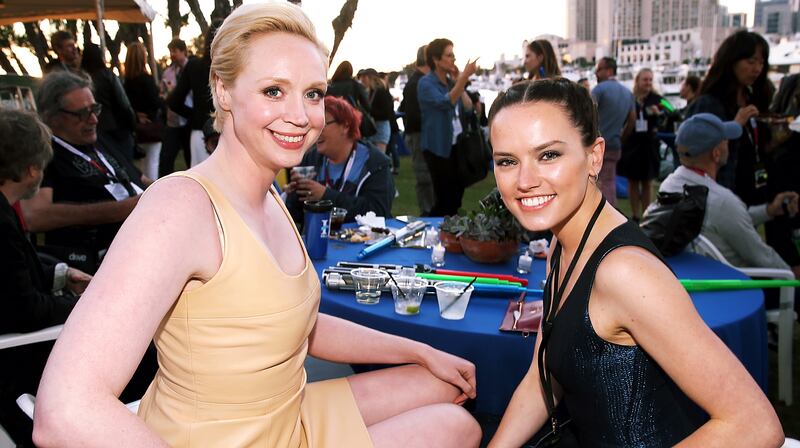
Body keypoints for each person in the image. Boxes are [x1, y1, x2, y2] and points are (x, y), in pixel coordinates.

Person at [32, 4, 481, 447]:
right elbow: (64, 409)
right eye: (273, 91)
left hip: (287, 413)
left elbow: (294, 325)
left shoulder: (269, 193)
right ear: (223, 91)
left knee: (443, 383)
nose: (301, 115)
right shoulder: (179, 207)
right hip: (220, 437)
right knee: (458, 428)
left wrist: (420, 350)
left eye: (312, 93)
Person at [486, 79, 783, 447]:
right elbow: (544, 375)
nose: (525, 180)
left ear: (595, 156)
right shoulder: (562, 247)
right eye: (507, 161)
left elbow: (755, 425)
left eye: (548, 155)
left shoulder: (625, 273)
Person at [0, 109, 85, 446]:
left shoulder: (4, 212)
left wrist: (62, 275)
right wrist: (85, 305)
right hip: (16, 362)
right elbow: (26, 310)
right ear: (31, 170)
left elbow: (12, 275)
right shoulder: (2, 225)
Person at [20, 71, 148, 274]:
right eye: (82, 113)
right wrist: (120, 209)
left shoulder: (99, 140)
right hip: (97, 261)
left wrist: (172, 187)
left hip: (141, 241)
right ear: (53, 117)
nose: (94, 119)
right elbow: (34, 215)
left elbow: (139, 179)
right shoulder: (43, 154)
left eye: (94, 109)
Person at [658, 113, 797, 272]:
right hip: (732, 282)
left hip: (695, 274)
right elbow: (761, 256)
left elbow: (727, 220)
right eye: (725, 139)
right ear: (716, 153)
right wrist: (791, 274)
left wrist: (768, 211)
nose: (729, 142)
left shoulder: (669, 184)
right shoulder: (722, 201)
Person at [686, 30, 773, 206]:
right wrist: (734, 126)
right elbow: (693, 150)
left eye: (761, 63)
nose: (757, 69)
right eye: (751, 62)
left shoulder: (754, 99)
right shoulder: (709, 103)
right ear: (731, 61)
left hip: (750, 190)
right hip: (720, 194)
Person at [285, 96, 395, 226]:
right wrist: (294, 194)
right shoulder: (311, 159)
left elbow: (377, 212)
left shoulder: (374, 164)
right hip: (320, 241)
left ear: (345, 126)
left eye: (323, 123)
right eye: (313, 123)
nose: (315, 130)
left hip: (362, 244)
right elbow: (296, 218)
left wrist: (326, 196)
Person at [418, 37, 477, 216]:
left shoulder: (452, 83)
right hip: (437, 148)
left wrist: (459, 79)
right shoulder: (426, 83)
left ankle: (447, 231)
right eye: (449, 55)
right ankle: (435, 229)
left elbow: (468, 107)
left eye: (453, 55)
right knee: (444, 198)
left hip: (455, 146)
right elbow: (446, 102)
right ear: (436, 60)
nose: (453, 59)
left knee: (456, 196)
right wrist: (464, 77)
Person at [618, 68, 664, 221]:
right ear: (637, 80)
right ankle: (635, 215)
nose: (648, 83)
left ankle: (646, 214)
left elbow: (674, 112)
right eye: (645, 79)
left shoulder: (658, 98)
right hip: (632, 145)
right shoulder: (629, 98)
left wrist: (659, 112)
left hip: (649, 145)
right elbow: (624, 118)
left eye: (650, 80)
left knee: (647, 182)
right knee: (632, 181)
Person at [168, 23, 217, 168]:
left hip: (200, 131)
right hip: (219, 133)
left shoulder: (194, 66)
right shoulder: (233, 68)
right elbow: (174, 102)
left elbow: (174, 101)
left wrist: (195, 114)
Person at [80, 43, 137, 162]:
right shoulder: (107, 75)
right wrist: (132, 123)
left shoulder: (81, 79)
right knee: (124, 164)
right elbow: (123, 103)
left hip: (93, 129)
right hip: (116, 129)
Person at [592, 57, 635, 206]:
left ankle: (604, 216)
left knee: (596, 184)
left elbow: (586, 113)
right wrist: (621, 138)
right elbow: (632, 121)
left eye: (599, 69)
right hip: (615, 144)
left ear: (608, 70)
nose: (596, 73)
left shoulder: (599, 89)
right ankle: (612, 214)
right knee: (609, 182)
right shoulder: (628, 93)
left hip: (596, 144)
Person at [398, 45, 435, 216]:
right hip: (419, 136)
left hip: (421, 136)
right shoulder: (417, 83)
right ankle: (427, 212)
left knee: (429, 177)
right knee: (424, 178)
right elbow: (413, 116)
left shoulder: (419, 81)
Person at [124, 42, 163, 180]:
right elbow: (155, 102)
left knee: (141, 165)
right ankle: (152, 192)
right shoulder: (147, 80)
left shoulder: (126, 82)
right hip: (151, 126)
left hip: (136, 128)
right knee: (152, 162)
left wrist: (136, 115)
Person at [159, 38, 193, 176]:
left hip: (189, 120)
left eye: (175, 51)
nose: (172, 54)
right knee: (166, 158)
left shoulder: (192, 69)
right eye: (170, 51)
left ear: (183, 51)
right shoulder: (167, 73)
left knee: (190, 157)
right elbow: (161, 92)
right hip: (173, 121)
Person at [364, 68, 394, 152]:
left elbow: (386, 113)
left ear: (370, 78)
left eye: (364, 77)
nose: (362, 80)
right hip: (374, 128)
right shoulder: (371, 92)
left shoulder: (380, 92)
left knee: (380, 157)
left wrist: (370, 112)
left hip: (381, 127)